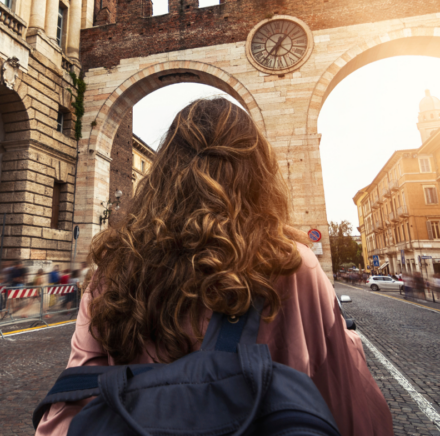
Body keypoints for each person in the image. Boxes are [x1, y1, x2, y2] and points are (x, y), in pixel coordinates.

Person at [36, 98, 393, 436]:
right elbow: (346, 400)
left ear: (162, 173)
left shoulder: (113, 271)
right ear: (259, 173)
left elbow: (75, 395)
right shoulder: (289, 265)